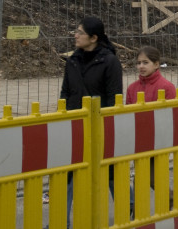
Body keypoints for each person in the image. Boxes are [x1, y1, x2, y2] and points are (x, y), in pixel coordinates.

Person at [60, 16, 123, 225]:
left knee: (109, 171)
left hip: (100, 127)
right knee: (68, 173)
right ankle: (62, 221)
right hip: (75, 124)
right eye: (76, 31)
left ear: (94, 37)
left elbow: (115, 97)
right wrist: (65, 117)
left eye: (80, 32)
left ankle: (129, 206)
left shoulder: (110, 61)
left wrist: (106, 124)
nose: (75, 35)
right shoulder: (72, 60)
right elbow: (65, 92)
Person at [126, 46, 177, 212]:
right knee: (141, 176)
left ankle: (171, 200)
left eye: (145, 62)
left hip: (160, 139)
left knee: (152, 177)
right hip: (139, 139)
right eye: (139, 63)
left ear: (156, 64)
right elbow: (127, 113)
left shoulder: (166, 87)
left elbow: (170, 116)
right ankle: (142, 211)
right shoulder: (132, 88)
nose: (141, 66)